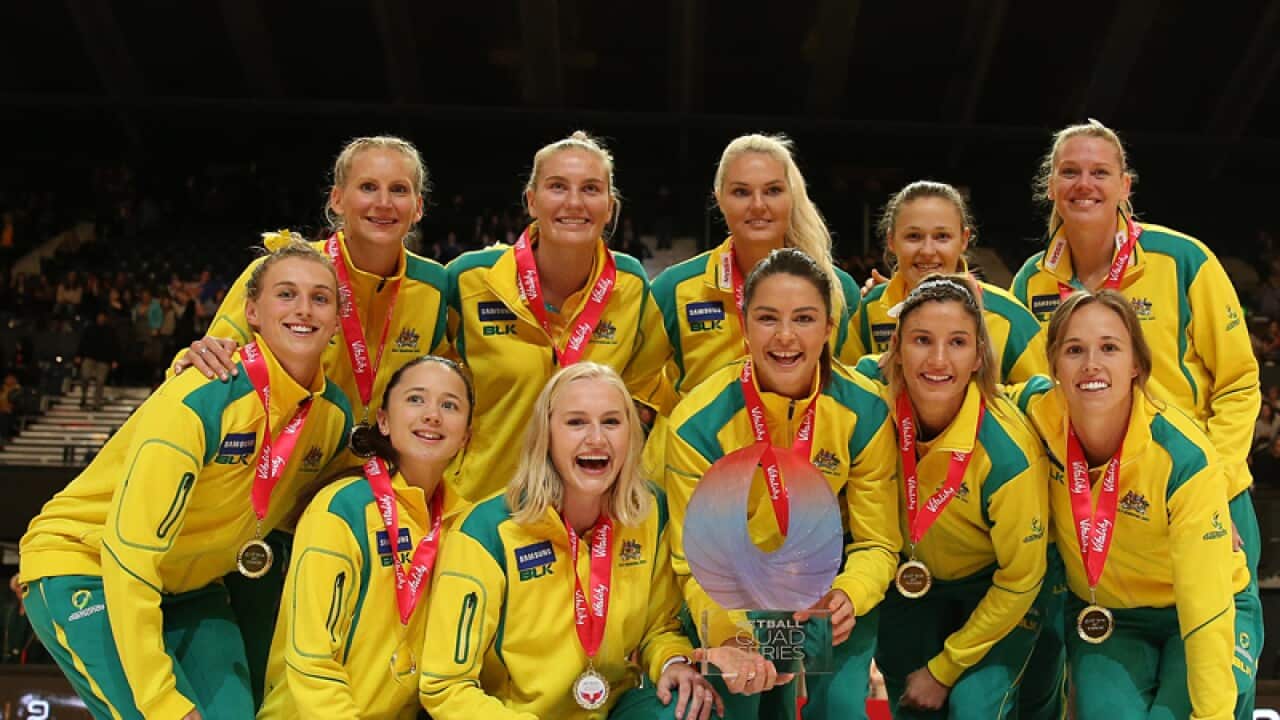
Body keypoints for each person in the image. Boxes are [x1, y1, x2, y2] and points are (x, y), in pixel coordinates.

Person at [18, 243, 353, 719]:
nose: (304, 309)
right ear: (252, 312)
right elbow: (127, 555)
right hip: (92, 565)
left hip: (191, 584)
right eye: (286, 294)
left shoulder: (332, 416)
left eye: (321, 298)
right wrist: (162, 703)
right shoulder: (201, 399)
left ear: (337, 319)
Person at [170, 136, 449, 703]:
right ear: (337, 199)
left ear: (418, 207)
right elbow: (208, 369)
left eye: (399, 190)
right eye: (368, 187)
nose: (383, 202)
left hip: (375, 520)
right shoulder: (289, 275)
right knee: (262, 682)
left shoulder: (435, 288)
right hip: (270, 512)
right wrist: (191, 355)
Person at [1009, 121, 1261, 582]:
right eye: (1069, 172)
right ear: (1051, 186)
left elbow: (1239, 383)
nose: (1084, 184)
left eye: (1100, 172)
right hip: (1090, 510)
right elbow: (1030, 396)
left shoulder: (1184, 260)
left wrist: (1213, 486)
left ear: (1124, 186)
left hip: (1192, 489)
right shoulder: (1031, 281)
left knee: (1212, 647)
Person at [665, 248, 902, 719]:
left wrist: (850, 593)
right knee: (741, 702)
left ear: (830, 328)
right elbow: (694, 562)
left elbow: (877, 541)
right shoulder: (697, 424)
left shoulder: (866, 410)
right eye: (768, 318)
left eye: (805, 318)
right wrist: (731, 637)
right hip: (733, 593)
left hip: (825, 593)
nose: (786, 337)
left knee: (838, 711)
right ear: (745, 325)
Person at [420, 362, 728, 719]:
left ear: (631, 435)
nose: (596, 438)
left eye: (611, 422)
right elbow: (444, 686)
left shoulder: (649, 512)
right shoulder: (485, 533)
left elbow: (659, 629)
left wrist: (672, 661)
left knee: (692, 706)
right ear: (545, 435)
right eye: (576, 422)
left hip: (611, 708)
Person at [1012, 290, 1259, 719]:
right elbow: (970, 396)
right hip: (1111, 618)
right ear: (1053, 366)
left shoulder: (1182, 457)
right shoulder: (1034, 411)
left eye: (1110, 347)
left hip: (1202, 613)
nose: (1091, 363)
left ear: (1137, 366)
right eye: (1074, 350)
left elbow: (1205, 607)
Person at [444, 131, 667, 502]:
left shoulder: (630, 285)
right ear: (532, 201)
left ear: (610, 207)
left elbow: (643, 399)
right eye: (558, 187)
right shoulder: (468, 280)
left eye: (591, 189)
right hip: (481, 510)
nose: (575, 202)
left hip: (588, 519)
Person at [861, 275, 1048, 717]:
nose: (938, 359)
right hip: (908, 586)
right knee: (912, 706)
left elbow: (1020, 579)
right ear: (897, 350)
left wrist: (946, 668)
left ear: (979, 356)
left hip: (995, 590)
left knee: (974, 709)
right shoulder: (868, 401)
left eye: (958, 342)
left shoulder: (1008, 454)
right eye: (922, 340)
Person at [259, 356, 473, 719]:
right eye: (416, 399)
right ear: (385, 422)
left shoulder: (465, 523)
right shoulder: (342, 510)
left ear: (466, 435)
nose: (432, 415)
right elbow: (312, 665)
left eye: (449, 405)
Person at [650, 133, 858, 412]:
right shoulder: (673, 289)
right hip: (701, 454)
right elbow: (642, 390)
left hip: (805, 452)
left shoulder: (838, 289)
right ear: (720, 199)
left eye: (772, 191)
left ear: (791, 197)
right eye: (741, 192)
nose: (758, 205)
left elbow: (852, 395)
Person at [838, 181, 1045, 384]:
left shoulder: (1009, 317)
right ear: (891, 241)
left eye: (942, 237)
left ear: (964, 240)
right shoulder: (868, 311)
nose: (927, 251)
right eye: (914, 236)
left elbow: (1044, 403)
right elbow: (846, 393)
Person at [77, 311, 120, 410]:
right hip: (89, 357)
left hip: (104, 360)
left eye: (103, 317)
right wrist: (79, 355)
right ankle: (83, 396)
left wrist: (115, 360)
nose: (101, 318)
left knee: (100, 382)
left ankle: (97, 403)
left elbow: (115, 346)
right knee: (85, 376)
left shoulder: (110, 331)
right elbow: (83, 342)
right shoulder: (90, 328)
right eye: (99, 316)